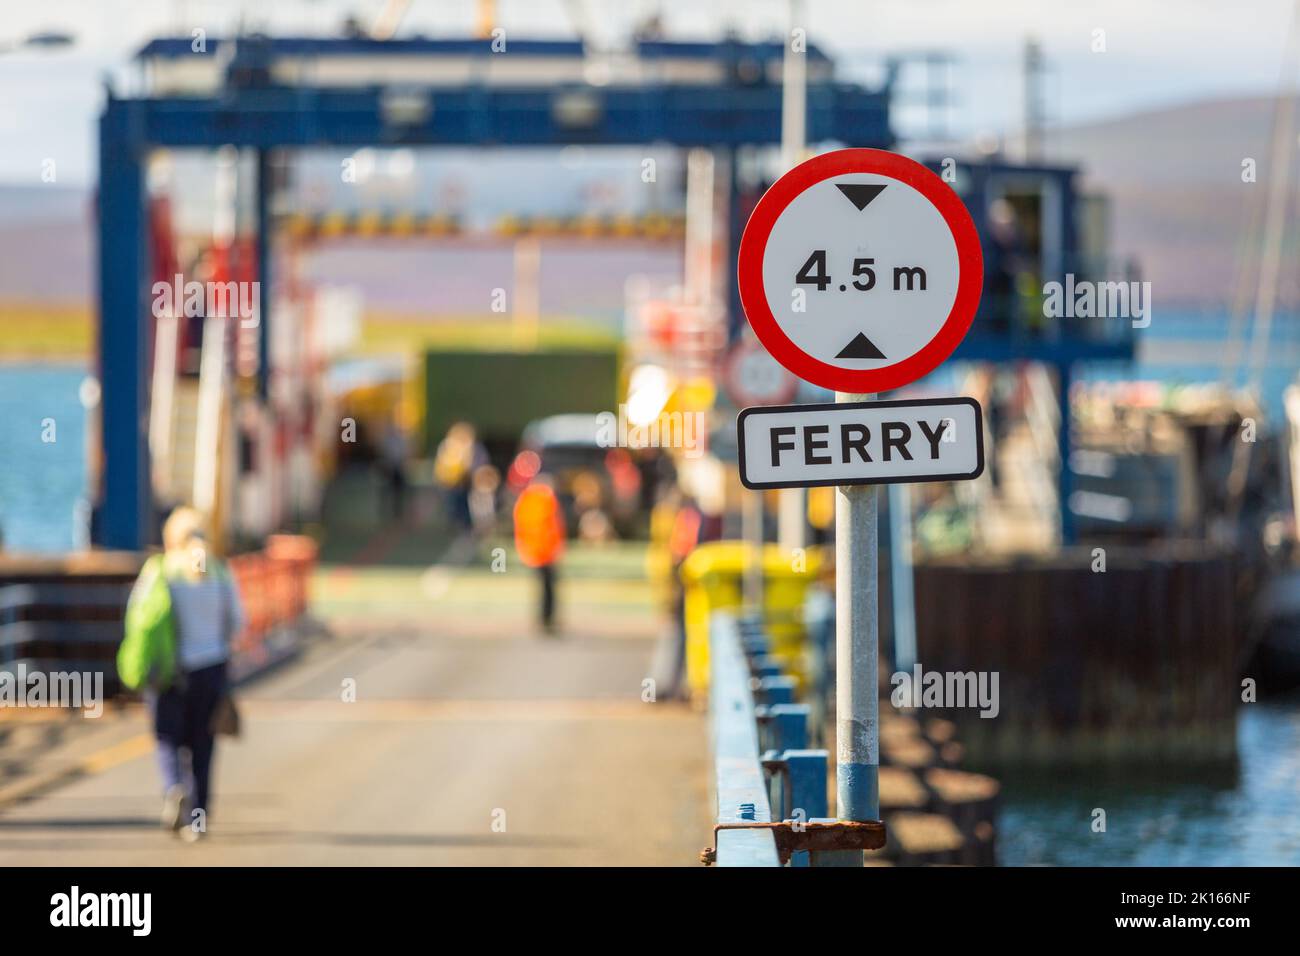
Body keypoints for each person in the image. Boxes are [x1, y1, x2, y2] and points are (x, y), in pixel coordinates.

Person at [122, 506, 244, 843]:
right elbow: (238, 621)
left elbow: (137, 616)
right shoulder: (219, 572)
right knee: (203, 748)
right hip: (212, 671)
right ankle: (198, 821)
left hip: (170, 673)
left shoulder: (160, 571)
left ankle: (174, 786)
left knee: (168, 739)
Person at [512, 475, 566, 634]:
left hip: (539, 551)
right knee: (547, 587)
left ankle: (546, 618)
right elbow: (553, 527)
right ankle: (546, 618)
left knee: (545, 587)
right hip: (543, 551)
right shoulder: (543, 502)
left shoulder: (527, 501)